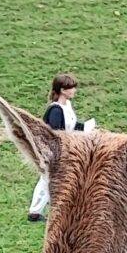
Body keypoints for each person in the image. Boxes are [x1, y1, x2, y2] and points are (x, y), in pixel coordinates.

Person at [28, 73, 88, 220]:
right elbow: (56, 132)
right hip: (54, 150)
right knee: (47, 179)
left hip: (63, 148)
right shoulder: (55, 110)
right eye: (71, 88)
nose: (74, 90)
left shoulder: (66, 106)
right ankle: (34, 212)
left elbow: (71, 125)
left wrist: (85, 127)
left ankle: (47, 210)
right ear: (62, 90)